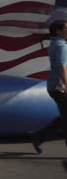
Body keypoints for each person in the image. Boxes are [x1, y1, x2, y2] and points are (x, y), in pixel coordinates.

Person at [31, 20, 67, 155]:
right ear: (58, 31)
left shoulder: (57, 43)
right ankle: (38, 136)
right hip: (60, 87)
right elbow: (61, 67)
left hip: (55, 86)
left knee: (65, 117)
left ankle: (38, 136)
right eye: (66, 28)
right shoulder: (61, 46)